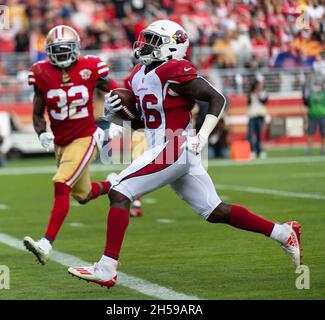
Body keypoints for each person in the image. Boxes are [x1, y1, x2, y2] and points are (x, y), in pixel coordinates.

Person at [68, 20, 303, 287]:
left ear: (171, 46)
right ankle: (283, 233)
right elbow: (146, 123)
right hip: (166, 147)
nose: (145, 44)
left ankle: (107, 267)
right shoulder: (138, 74)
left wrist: (202, 137)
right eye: (146, 39)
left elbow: (217, 98)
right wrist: (116, 118)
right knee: (215, 211)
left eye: (153, 40)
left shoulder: (174, 69)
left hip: (176, 147)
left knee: (120, 191)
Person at [23, 25, 120, 265]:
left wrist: (117, 122)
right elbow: (37, 112)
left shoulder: (91, 66)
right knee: (83, 195)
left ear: (76, 48)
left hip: (86, 137)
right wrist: (41, 133)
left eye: (67, 49)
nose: (63, 54)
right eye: (58, 50)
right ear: (49, 51)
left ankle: (46, 244)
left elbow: (118, 92)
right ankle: (115, 183)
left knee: (61, 182)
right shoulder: (41, 72)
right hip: (61, 143)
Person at [303, 74, 325, 155]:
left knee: (323, 133)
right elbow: (306, 103)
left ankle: (323, 149)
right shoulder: (311, 93)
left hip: (323, 115)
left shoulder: (324, 93)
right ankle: (309, 150)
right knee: (310, 133)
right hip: (312, 115)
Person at [247, 77, 268, 159]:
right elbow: (248, 102)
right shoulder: (251, 93)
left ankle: (260, 151)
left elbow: (264, 101)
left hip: (260, 115)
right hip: (252, 115)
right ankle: (252, 151)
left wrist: (258, 95)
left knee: (259, 134)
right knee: (250, 135)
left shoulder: (264, 93)